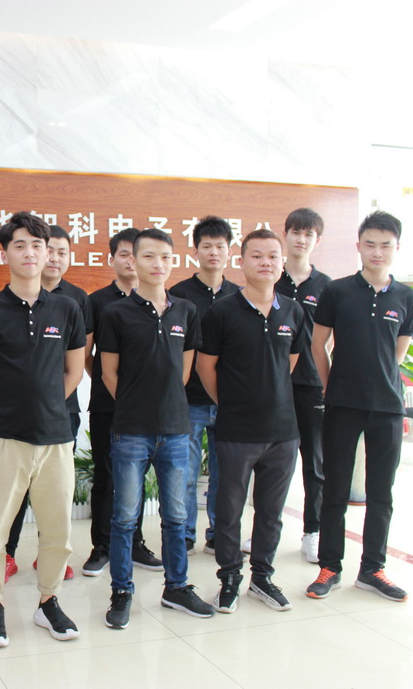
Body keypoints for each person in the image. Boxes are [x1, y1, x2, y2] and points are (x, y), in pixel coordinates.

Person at [0, 212, 86, 648]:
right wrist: (4, 407)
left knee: (57, 530)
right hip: (4, 439)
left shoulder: (67, 309)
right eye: (20, 245)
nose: (31, 252)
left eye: (38, 245)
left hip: (56, 439)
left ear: (48, 252)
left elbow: (74, 371)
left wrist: (49, 405)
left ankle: (48, 601)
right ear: (6, 254)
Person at [98, 229, 213, 628]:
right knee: (125, 518)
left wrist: (164, 406)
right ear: (133, 260)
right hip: (131, 430)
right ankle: (122, 591)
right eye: (148, 256)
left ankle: (176, 587)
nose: (157, 264)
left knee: (176, 516)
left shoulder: (186, 311)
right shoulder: (116, 313)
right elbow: (109, 372)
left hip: (176, 430)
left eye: (165, 256)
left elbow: (184, 370)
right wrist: (136, 404)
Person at [306, 211, 413, 603]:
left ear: (397, 248)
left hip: (387, 407)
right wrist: (329, 385)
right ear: (358, 246)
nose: (377, 252)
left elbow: (396, 354)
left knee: (381, 493)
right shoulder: (337, 291)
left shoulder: (407, 297)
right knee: (335, 489)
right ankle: (330, 567)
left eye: (385, 245)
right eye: (370, 244)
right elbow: (318, 345)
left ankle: (373, 569)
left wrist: (379, 382)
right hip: (342, 404)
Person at [196, 228, 304, 614]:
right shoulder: (222, 312)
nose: (266, 263)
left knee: (271, 512)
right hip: (236, 431)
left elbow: (288, 364)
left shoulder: (293, 311)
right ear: (242, 262)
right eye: (257, 256)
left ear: (282, 262)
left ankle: (262, 578)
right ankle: (229, 578)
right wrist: (232, 403)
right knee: (229, 510)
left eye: (273, 256)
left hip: (283, 432)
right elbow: (206, 368)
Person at [3, 225, 107, 581]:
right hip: (14, 417)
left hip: (63, 411)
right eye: (52, 250)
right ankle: (7, 554)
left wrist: (50, 402)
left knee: (54, 492)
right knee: (15, 491)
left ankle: (49, 557)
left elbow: (78, 359)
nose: (55, 258)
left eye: (63, 252)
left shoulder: (77, 299)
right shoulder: (12, 298)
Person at [84, 228, 155, 577]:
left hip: (145, 407)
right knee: (106, 475)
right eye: (122, 254)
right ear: (112, 259)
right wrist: (109, 385)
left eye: (134, 253)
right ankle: (101, 547)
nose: (129, 260)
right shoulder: (97, 301)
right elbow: (87, 356)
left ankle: (135, 543)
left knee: (137, 476)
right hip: (107, 404)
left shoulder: (157, 301)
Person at [169, 217, 240, 556]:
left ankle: (219, 532)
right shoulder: (178, 295)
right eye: (206, 246)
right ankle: (184, 534)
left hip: (229, 400)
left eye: (220, 246)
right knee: (185, 471)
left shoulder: (239, 295)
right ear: (195, 251)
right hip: (189, 399)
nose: (213, 252)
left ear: (229, 251)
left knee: (226, 474)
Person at [274, 208, 332, 564]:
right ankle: (265, 529)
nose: (301, 239)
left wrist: (328, 380)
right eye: (295, 232)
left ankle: (313, 531)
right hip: (273, 385)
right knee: (271, 463)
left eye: (308, 234)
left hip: (311, 384)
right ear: (286, 235)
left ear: (317, 240)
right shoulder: (270, 279)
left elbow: (332, 339)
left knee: (315, 463)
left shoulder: (327, 286)